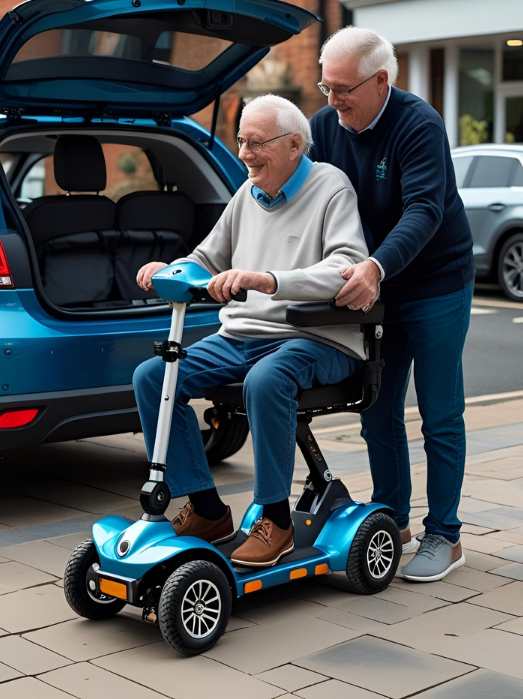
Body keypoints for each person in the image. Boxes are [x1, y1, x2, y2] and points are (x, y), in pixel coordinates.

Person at [133, 94, 368, 568]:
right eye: (241, 141)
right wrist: (170, 269)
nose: (244, 153)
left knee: (266, 380)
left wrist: (270, 280)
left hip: (315, 336)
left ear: (294, 145)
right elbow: (205, 258)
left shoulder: (330, 187)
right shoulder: (247, 194)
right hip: (242, 337)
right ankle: (207, 509)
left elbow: (347, 266)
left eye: (256, 143)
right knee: (153, 376)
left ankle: (276, 520)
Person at [310, 27, 475, 582]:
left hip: (435, 283)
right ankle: (392, 520)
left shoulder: (418, 124)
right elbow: (297, 198)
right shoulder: (323, 127)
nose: (333, 101)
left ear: (381, 80)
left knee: (439, 413)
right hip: (374, 288)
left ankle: (445, 535)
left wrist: (376, 267)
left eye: (343, 89)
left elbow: (424, 209)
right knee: (377, 410)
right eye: (326, 87)